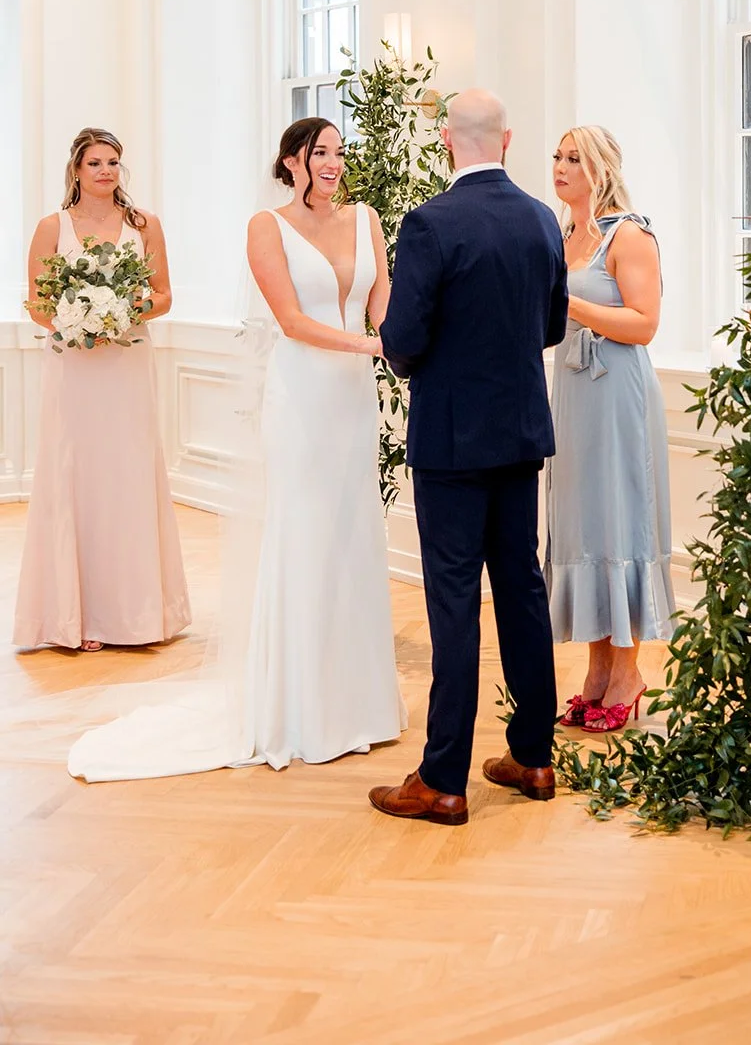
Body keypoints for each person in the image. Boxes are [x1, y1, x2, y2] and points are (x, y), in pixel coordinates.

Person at [68, 117, 405, 778]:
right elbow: (292, 321)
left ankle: (360, 704)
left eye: (339, 152)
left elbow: (384, 305)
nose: (334, 162)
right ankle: (298, 707)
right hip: (303, 394)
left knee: (352, 532)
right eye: (320, 152)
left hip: (352, 399)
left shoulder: (366, 219)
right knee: (303, 534)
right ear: (291, 163)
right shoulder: (265, 227)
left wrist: (411, 340)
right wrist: (372, 346)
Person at [369, 90, 568, 826]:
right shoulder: (540, 218)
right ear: (508, 140)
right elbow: (550, 324)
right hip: (518, 433)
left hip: (452, 438)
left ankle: (443, 777)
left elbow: (406, 335)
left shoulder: (430, 222)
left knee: (453, 601)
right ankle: (534, 756)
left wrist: (405, 351)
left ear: (447, 141)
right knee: (521, 590)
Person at [15, 127, 190, 653]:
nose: (106, 171)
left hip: (127, 364)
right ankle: (76, 616)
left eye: (113, 161)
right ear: (76, 170)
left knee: (127, 477)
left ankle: (136, 614)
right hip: (75, 371)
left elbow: (162, 296)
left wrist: (119, 313)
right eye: (95, 163)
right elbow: (38, 305)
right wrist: (77, 321)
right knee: (77, 478)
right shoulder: (53, 227)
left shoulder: (144, 226)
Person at [545, 126, 675, 732]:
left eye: (574, 158)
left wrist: (566, 302)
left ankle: (629, 673)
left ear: (600, 168)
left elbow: (643, 324)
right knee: (585, 524)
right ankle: (596, 674)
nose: (561, 166)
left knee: (621, 518)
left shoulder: (631, 234)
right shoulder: (558, 233)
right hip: (571, 394)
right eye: (557, 156)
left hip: (619, 393)